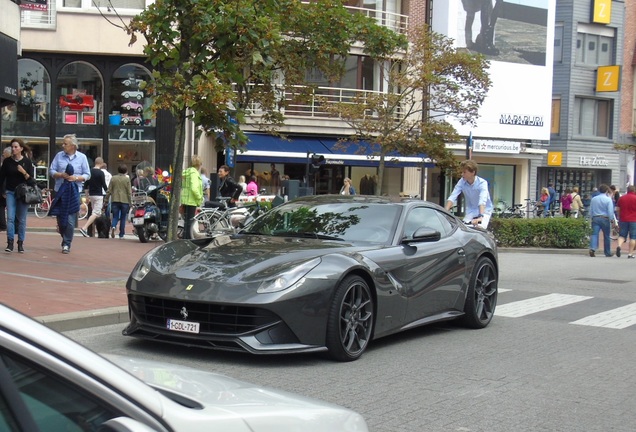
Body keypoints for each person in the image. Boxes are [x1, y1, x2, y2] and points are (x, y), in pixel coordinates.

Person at [49, 134, 91, 254]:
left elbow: (87, 174)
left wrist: (76, 177)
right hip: (60, 191)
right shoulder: (59, 156)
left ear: (73, 146)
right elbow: (51, 170)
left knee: (71, 220)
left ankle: (67, 243)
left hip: (74, 191)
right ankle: (64, 234)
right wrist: (60, 175)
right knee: (61, 220)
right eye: (63, 143)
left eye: (65, 144)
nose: (63, 146)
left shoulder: (82, 158)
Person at [0, 139, 36, 253]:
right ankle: (10, 243)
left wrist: (23, 172)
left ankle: (20, 243)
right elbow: (1, 178)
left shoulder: (27, 162)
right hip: (10, 192)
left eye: (16, 147)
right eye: (12, 147)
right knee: (10, 218)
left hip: (23, 193)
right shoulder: (7, 162)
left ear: (21, 148)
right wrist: (2, 191)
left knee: (21, 219)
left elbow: (31, 181)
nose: (13, 149)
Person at [445, 160, 494, 228]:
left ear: (473, 172)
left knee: (479, 228)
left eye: (464, 172)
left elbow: (482, 200)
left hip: (484, 210)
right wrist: (445, 211)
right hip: (471, 210)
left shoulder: (482, 183)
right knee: (463, 229)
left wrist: (480, 216)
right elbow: (453, 196)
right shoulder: (461, 182)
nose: (462, 174)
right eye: (462, 172)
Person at [79, 157, 108, 238]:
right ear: (101, 164)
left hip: (91, 194)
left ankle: (93, 231)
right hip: (98, 194)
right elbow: (104, 185)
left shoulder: (90, 172)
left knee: (95, 213)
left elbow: (86, 184)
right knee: (96, 213)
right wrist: (109, 193)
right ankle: (84, 228)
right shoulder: (101, 173)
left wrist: (87, 195)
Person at [104, 164, 132, 239]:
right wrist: (131, 202)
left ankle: (113, 226)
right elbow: (129, 192)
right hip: (124, 200)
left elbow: (109, 190)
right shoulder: (127, 179)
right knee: (123, 217)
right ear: (126, 171)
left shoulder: (113, 178)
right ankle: (121, 234)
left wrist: (106, 200)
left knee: (115, 216)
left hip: (115, 199)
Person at [588, 184, 616, 258]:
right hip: (605, 218)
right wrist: (612, 221)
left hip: (595, 218)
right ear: (607, 190)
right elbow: (610, 212)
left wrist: (590, 218)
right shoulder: (608, 199)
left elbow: (591, 210)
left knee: (594, 234)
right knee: (606, 236)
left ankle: (593, 249)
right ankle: (607, 252)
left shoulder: (594, 199)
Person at [181, 155, 203, 240]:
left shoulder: (187, 172)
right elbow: (194, 188)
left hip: (185, 200)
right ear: (198, 164)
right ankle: (188, 239)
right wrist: (199, 197)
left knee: (187, 222)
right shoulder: (194, 173)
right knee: (190, 222)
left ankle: (185, 238)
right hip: (192, 200)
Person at [615, 185, 636, 259]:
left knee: (622, 235)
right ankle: (630, 254)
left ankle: (619, 246)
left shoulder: (622, 198)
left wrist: (619, 216)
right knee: (633, 237)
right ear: (634, 190)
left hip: (623, 219)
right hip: (634, 220)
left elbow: (617, 209)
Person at [0, 146, 12, 232]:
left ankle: (3, 225)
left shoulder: (6, 165)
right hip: (5, 189)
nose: (2, 156)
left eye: (4, 155)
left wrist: (3, 191)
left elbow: (5, 179)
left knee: (2, 207)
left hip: (6, 190)